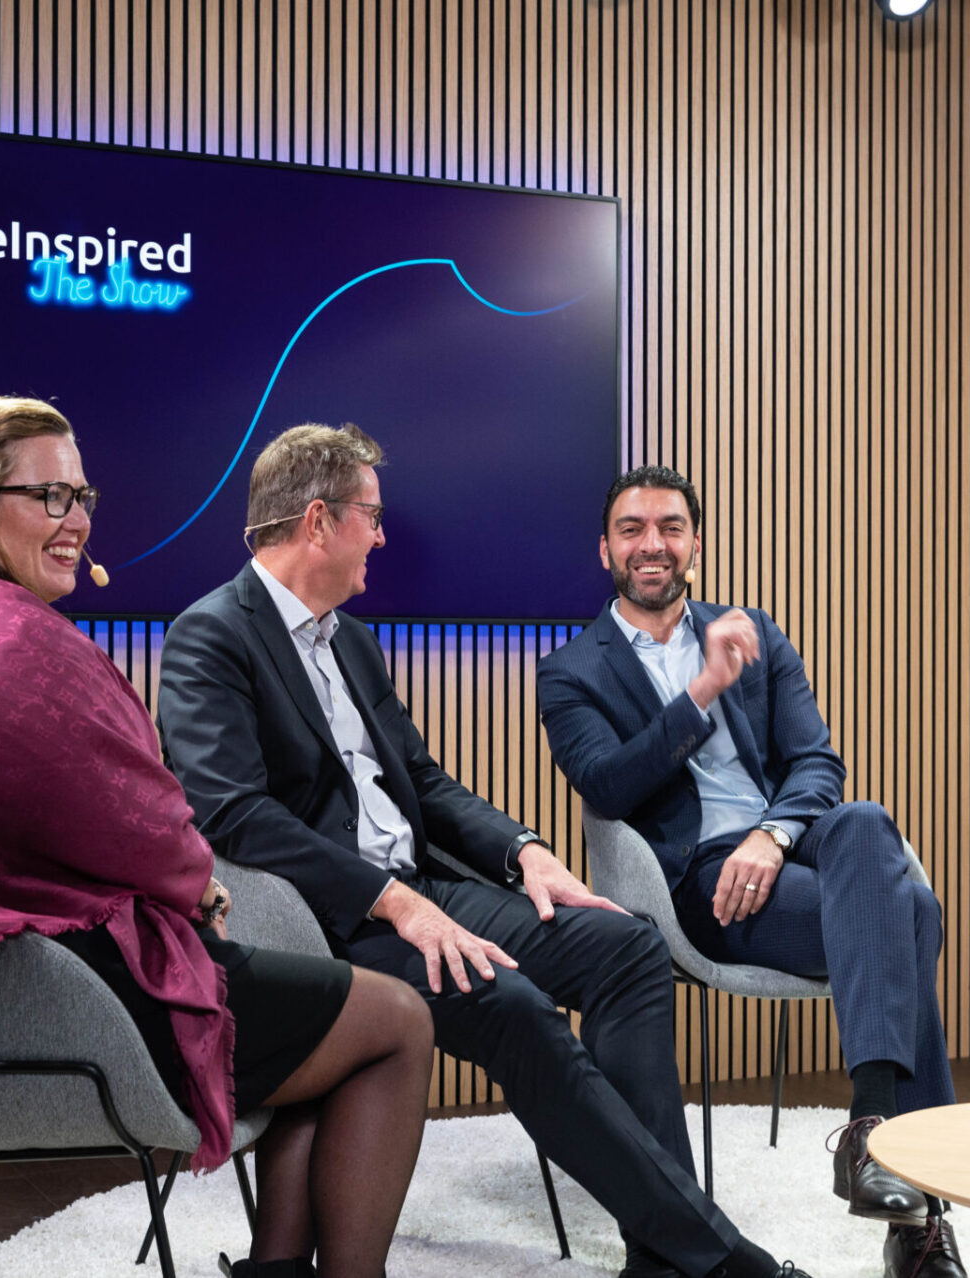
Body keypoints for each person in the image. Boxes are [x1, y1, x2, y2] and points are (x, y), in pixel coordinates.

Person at [156, 423, 813, 1278]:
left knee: (627, 949)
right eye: (371, 516)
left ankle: (662, 1253)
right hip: (332, 920)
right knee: (510, 1005)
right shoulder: (212, 635)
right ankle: (718, 1261)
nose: (383, 536)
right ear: (318, 522)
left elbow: (423, 783)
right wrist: (391, 901)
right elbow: (233, 813)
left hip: (423, 888)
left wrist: (527, 852)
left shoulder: (348, 640)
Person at [0, 397, 435, 1278]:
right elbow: (151, 829)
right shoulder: (16, 640)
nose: (76, 521)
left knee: (321, 1019)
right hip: (69, 1008)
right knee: (396, 1020)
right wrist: (202, 890)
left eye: (81, 495)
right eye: (47, 498)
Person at [536, 465, 967, 1278]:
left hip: (787, 847)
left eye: (670, 527)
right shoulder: (572, 671)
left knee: (868, 822)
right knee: (909, 914)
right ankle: (921, 1223)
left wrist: (772, 832)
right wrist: (701, 690)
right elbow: (609, 784)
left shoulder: (755, 632)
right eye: (632, 529)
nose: (652, 544)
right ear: (605, 550)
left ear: (694, 544)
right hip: (694, 881)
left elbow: (815, 764)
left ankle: (872, 1125)